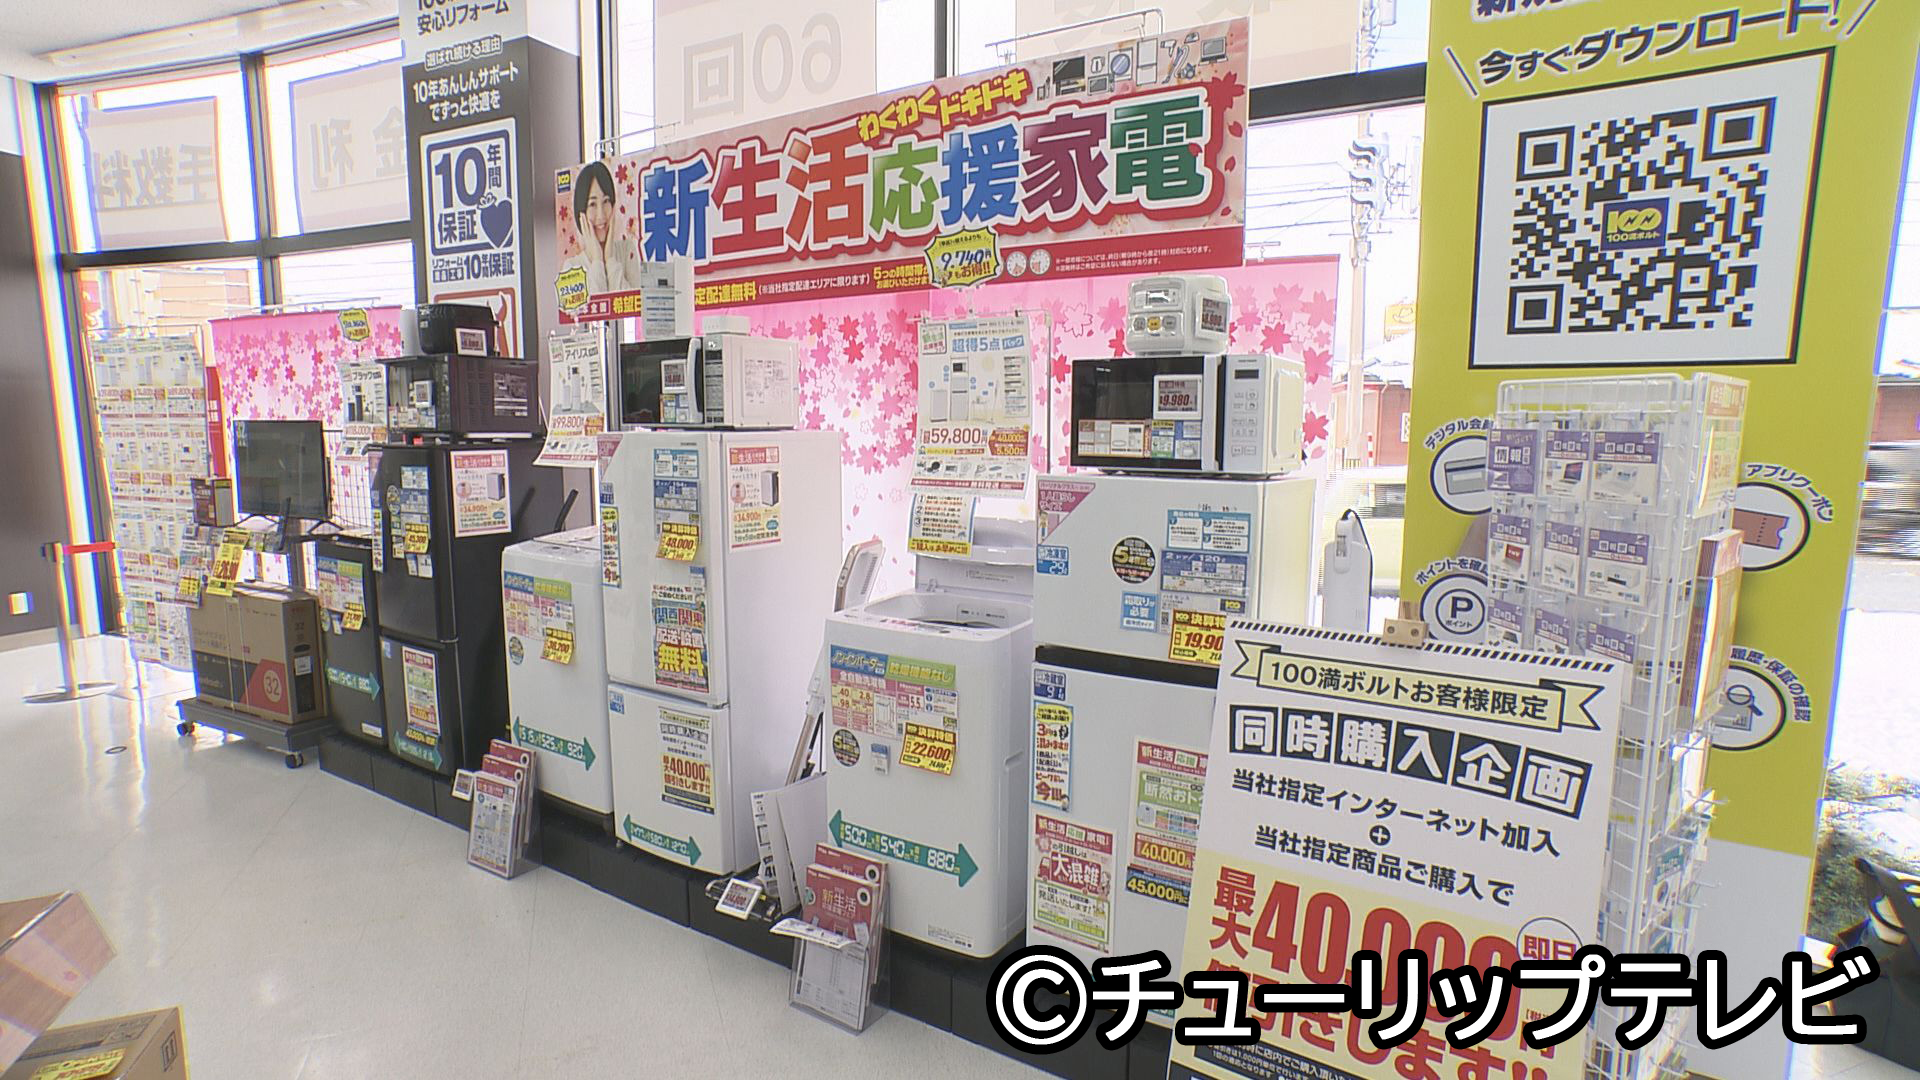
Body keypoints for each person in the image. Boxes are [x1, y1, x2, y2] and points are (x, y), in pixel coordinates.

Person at [568, 159, 640, 294]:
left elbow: (634, 304)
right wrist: (597, 260)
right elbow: (594, 306)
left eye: (606, 201)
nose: (601, 215)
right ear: (581, 212)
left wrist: (610, 260)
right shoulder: (571, 267)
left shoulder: (627, 250)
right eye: (592, 204)